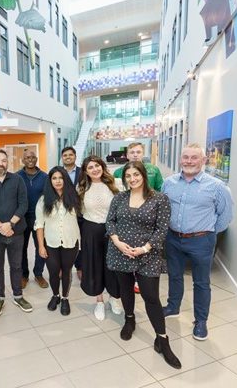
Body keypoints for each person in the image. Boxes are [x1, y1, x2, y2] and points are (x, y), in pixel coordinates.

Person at [106, 161, 181, 369]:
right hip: (121, 253)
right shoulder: (119, 198)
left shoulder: (159, 199)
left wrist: (145, 248)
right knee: (126, 290)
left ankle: (162, 339)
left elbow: (162, 229)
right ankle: (129, 320)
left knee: (151, 297)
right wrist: (118, 242)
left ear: (143, 175)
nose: (132, 179)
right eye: (128, 176)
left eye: (136, 175)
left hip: (147, 255)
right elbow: (110, 222)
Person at [162, 143, 233, 340]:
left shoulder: (217, 186)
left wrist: (205, 233)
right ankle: (173, 306)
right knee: (174, 275)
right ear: (180, 159)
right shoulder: (169, 183)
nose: (189, 161)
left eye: (194, 158)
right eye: (186, 157)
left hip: (202, 241)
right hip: (173, 238)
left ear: (203, 161)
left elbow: (225, 217)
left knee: (201, 282)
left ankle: (201, 321)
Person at [0, 149, 32, 316]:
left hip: (16, 232)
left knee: (16, 266)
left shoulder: (17, 180)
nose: (0, 163)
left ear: (7, 163)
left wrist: (10, 224)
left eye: (3, 160)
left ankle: (18, 296)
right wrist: (0, 226)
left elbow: (23, 204)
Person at [113, 142, 163, 295]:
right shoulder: (118, 172)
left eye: (138, 152)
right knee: (127, 260)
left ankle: (140, 281)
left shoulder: (153, 170)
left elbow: (160, 190)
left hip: (147, 218)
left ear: (143, 154)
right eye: (132, 152)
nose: (135, 154)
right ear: (127, 155)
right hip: (126, 218)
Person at [77, 156, 122, 321]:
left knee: (114, 266)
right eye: (90, 167)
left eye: (97, 165)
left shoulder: (116, 184)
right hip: (91, 230)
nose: (95, 169)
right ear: (85, 171)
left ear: (102, 166)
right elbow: (79, 212)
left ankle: (115, 298)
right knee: (94, 266)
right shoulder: (81, 188)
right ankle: (99, 301)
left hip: (113, 231)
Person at [35, 167, 80, 316]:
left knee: (66, 271)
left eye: (61, 177)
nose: (58, 181)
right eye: (54, 178)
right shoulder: (43, 200)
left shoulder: (75, 197)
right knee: (53, 272)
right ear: (50, 181)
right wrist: (41, 246)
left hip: (70, 241)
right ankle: (56, 295)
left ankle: (65, 298)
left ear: (65, 179)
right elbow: (39, 225)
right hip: (51, 243)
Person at [17, 150, 48, 289]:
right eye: (27, 157)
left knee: (41, 247)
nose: (30, 159)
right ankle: (24, 275)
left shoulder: (45, 177)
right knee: (21, 249)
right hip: (21, 218)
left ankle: (38, 274)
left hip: (39, 219)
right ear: (22, 160)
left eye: (33, 157)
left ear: (36, 158)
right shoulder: (16, 177)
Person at [61, 146, 83, 280]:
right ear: (62, 158)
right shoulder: (58, 173)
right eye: (65, 155)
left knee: (79, 241)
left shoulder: (83, 172)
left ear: (75, 156)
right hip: (63, 213)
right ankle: (63, 268)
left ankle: (80, 267)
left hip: (80, 212)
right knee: (64, 240)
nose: (68, 157)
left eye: (70, 155)